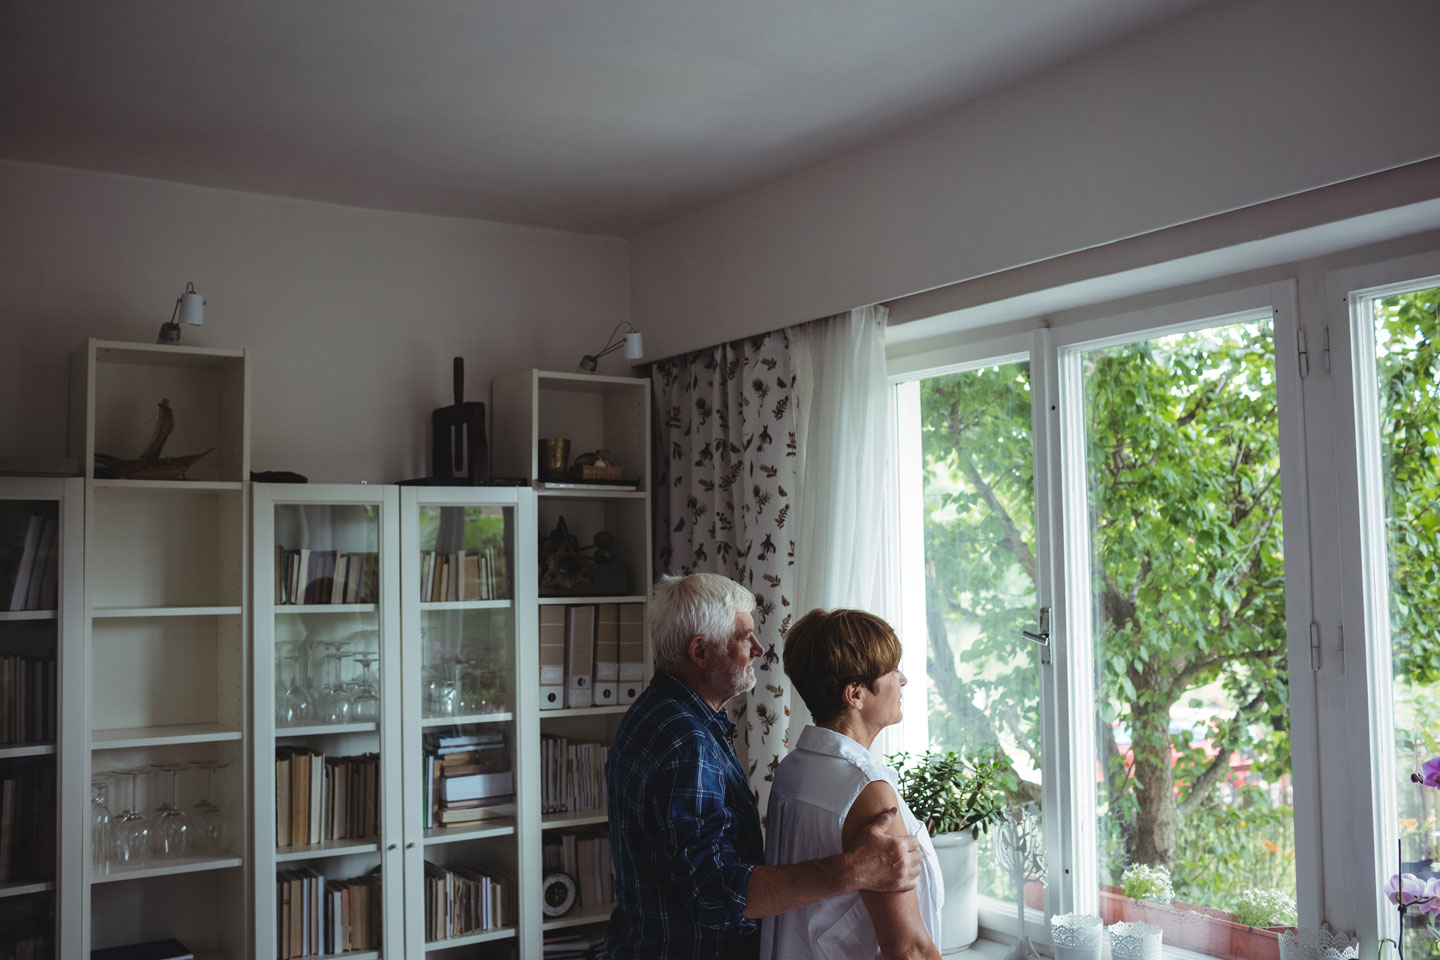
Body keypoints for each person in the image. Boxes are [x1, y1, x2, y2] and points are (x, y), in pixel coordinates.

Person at [606, 574, 924, 960]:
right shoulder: (687, 743)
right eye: (744, 637)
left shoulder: (652, 713)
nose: (758, 648)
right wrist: (854, 870)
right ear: (700, 652)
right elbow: (714, 892)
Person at [760, 608, 942, 960]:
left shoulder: (793, 768)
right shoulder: (866, 789)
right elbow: (910, 949)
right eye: (891, 670)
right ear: (855, 695)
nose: (902, 680)